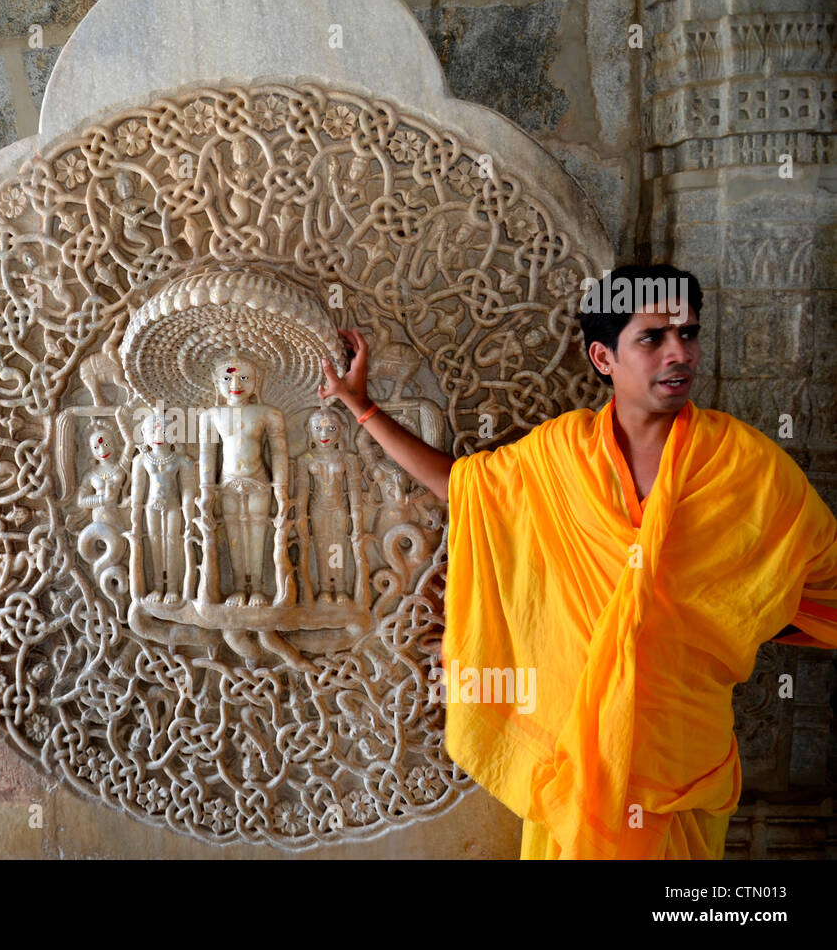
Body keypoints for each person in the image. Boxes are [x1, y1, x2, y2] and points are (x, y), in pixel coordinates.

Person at [317, 263, 837, 859]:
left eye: (689, 334)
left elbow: (820, 583)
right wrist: (363, 410)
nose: (680, 353)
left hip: (683, 757)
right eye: (653, 338)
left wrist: (728, 617)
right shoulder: (562, 455)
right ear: (603, 356)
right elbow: (464, 487)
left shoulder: (746, 466)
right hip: (576, 761)